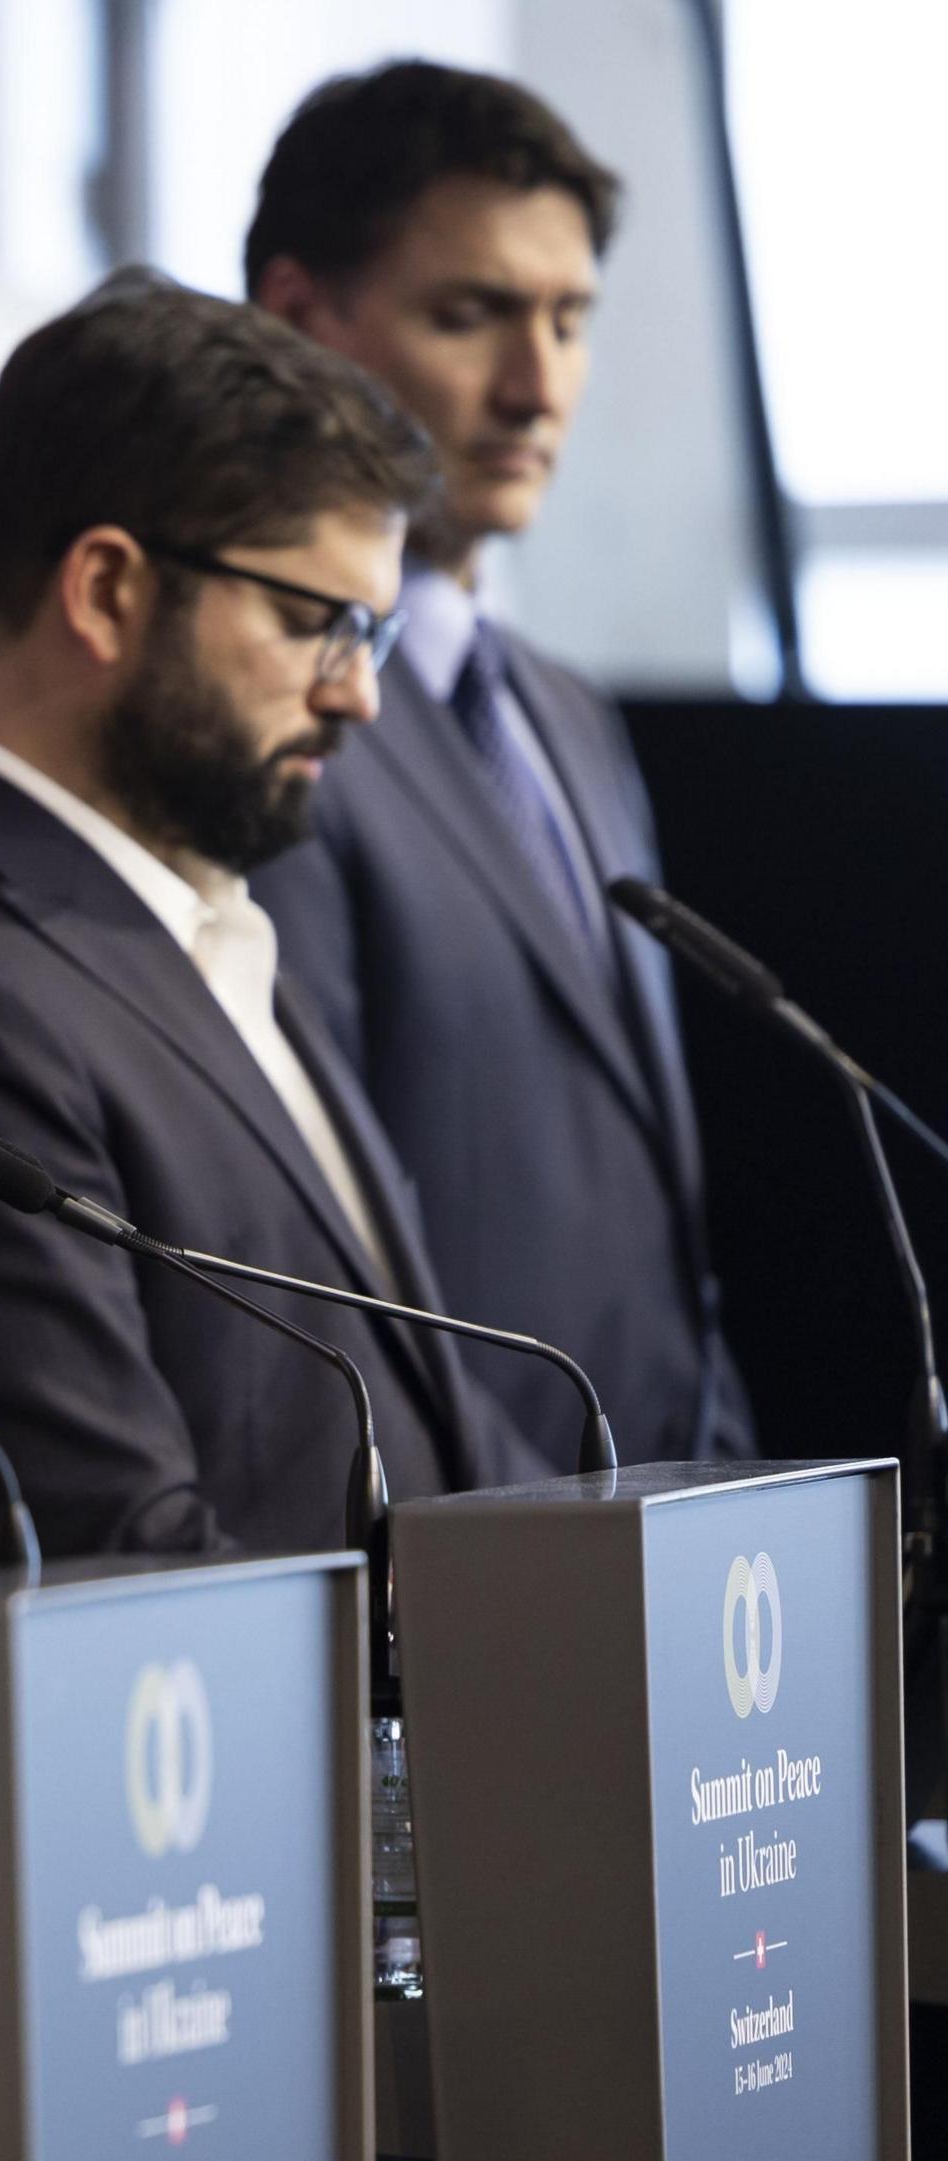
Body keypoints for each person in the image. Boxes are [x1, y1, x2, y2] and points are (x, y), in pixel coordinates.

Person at [0, 273, 536, 1580]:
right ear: (106, 591)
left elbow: (433, 1426)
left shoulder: (205, 919)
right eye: (312, 621)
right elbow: (125, 1557)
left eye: (372, 629)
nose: (362, 695)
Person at [245, 64, 745, 1469]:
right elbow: (317, 1255)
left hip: (673, 1548)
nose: (537, 385)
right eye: (469, 315)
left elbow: (655, 1234)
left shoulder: (569, 715)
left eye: (570, 320)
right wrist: (541, 1556)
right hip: (478, 1578)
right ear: (299, 318)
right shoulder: (271, 719)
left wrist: (721, 1494)